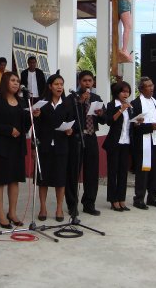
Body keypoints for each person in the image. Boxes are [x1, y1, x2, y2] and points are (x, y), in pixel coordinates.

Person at [0, 72, 39, 228]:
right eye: (13, 80)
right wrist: (8, 130)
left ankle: (12, 212)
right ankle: (0, 214)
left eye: (18, 81)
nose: (16, 83)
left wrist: (33, 116)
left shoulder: (22, 102)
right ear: (5, 82)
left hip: (17, 146)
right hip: (0, 146)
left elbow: (25, 127)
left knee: (15, 180)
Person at [34, 73, 75, 222]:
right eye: (56, 84)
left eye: (61, 84)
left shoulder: (67, 104)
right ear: (50, 86)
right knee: (43, 179)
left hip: (61, 146)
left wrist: (70, 130)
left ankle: (59, 208)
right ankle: (43, 207)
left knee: (60, 179)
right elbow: (36, 127)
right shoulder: (42, 103)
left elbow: (71, 123)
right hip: (44, 146)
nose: (59, 87)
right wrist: (36, 117)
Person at [65, 70, 106, 217]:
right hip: (76, 138)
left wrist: (102, 114)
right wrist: (80, 102)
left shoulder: (96, 98)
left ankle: (89, 203)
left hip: (91, 137)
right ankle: (72, 205)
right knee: (73, 172)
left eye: (90, 81)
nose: (87, 83)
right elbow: (68, 116)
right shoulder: (72, 98)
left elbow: (104, 119)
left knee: (92, 172)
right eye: (84, 81)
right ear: (79, 82)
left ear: (93, 82)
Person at [130, 76, 156, 210]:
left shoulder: (155, 102)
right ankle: (139, 198)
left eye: (152, 85)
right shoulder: (136, 103)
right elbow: (135, 126)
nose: (152, 88)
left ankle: (153, 197)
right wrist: (150, 127)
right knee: (143, 171)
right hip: (143, 141)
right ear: (141, 89)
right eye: (148, 86)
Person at [103, 81, 133, 212]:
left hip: (126, 142)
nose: (126, 94)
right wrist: (121, 109)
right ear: (117, 92)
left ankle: (121, 199)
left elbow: (129, 124)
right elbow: (109, 121)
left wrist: (137, 121)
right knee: (113, 172)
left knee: (123, 173)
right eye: (123, 91)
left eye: (127, 91)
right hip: (114, 143)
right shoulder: (111, 105)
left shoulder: (130, 106)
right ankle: (113, 200)